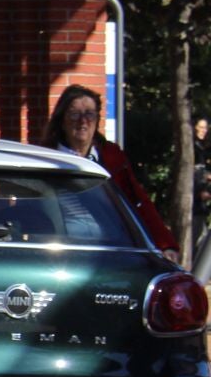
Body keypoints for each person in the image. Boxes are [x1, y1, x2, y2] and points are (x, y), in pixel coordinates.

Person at [40, 84, 178, 261]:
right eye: (74, 114)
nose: (83, 121)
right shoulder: (46, 159)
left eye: (89, 114)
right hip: (64, 252)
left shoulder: (112, 157)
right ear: (62, 121)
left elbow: (138, 202)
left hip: (115, 249)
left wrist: (166, 245)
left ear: (97, 120)